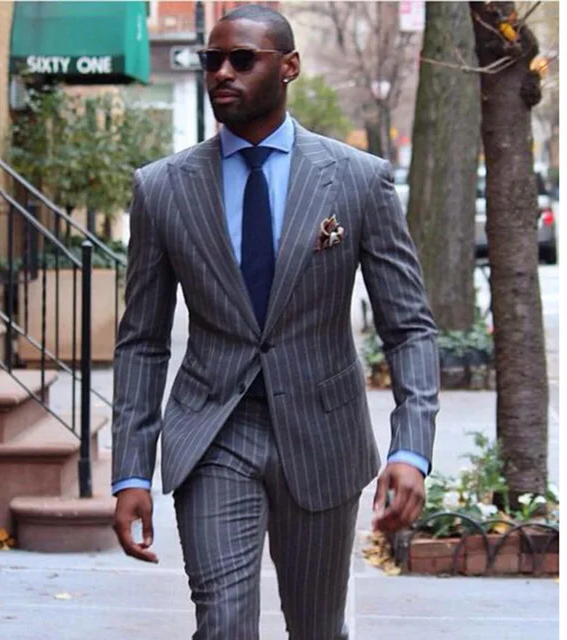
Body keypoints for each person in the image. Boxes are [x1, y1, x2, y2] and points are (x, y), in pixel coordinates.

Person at [112, 5, 439, 639]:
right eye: (212, 61)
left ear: (288, 67)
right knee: (225, 622)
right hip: (212, 434)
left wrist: (411, 448)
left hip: (322, 434)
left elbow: (409, 328)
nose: (221, 73)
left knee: (316, 627)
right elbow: (143, 341)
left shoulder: (357, 180)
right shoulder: (163, 189)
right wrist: (132, 470)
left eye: (242, 59)